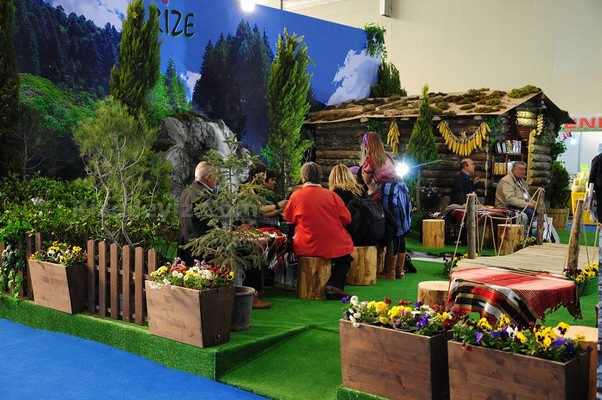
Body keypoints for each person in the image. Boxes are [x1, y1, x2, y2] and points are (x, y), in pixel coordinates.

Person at [283, 162, 354, 299]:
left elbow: (289, 219)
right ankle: (334, 285)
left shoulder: (296, 196)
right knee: (345, 259)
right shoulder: (332, 195)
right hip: (335, 243)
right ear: (320, 177)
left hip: (306, 244)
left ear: (304, 177)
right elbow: (347, 219)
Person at [361, 132, 412, 280]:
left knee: (392, 231)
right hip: (400, 193)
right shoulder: (388, 157)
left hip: (388, 195)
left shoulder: (371, 160)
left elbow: (367, 183)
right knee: (400, 232)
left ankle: (389, 272)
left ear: (367, 145)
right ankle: (399, 271)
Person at [177, 161, 217, 263]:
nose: (216, 179)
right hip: (203, 253)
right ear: (209, 177)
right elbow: (211, 224)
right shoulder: (205, 195)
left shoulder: (185, 192)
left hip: (185, 248)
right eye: (215, 176)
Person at [494, 160, 537, 231]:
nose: (522, 171)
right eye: (519, 169)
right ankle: (525, 234)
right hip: (506, 207)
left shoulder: (522, 182)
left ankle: (532, 233)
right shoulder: (506, 180)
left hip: (518, 206)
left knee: (537, 210)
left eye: (524, 169)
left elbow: (527, 197)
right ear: (513, 169)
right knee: (529, 212)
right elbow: (510, 200)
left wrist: (535, 203)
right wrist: (528, 205)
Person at [588, 152, 602, 222]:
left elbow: (592, 174)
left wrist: (590, 188)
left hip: (600, 187)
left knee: (601, 206)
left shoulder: (597, 158)